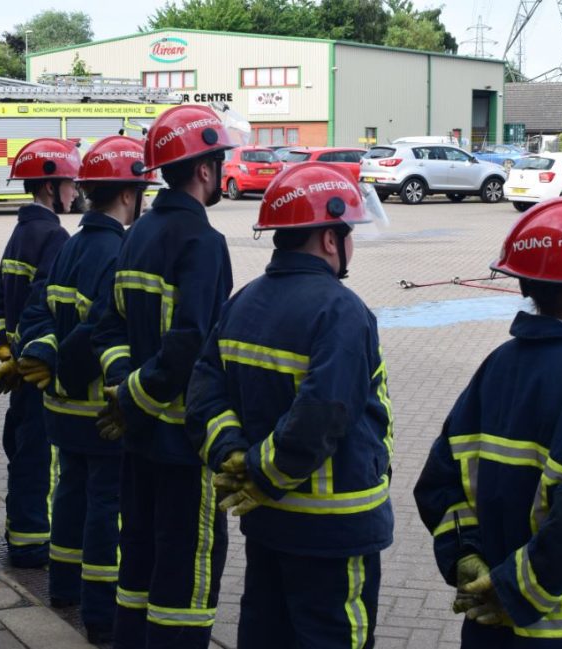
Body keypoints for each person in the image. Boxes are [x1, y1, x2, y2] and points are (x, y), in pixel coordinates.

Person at [414, 197, 562, 648]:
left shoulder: (494, 369)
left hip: (490, 628)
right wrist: (518, 591)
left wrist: (466, 559)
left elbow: (437, 483)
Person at [186, 163, 393, 649]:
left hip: (268, 523)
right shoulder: (342, 310)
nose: (351, 246)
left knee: (265, 633)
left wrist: (232, 455)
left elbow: (204, 392)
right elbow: (323, 412)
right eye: (348, 234)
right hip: (336, 530)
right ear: (327, 238)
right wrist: (262, 474)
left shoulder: (244, 302)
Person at [90, 104, 241, 649]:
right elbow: (190, 344)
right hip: (184, 442)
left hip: (135, 435)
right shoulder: (203, 242)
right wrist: (137, 394)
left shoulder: (138, 232)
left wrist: (123, 389)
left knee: (141, 564)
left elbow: (106, 326)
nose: (221, 170)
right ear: (203, 169)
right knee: (188, 573)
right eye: (219, 161)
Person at [17, 135, 157, 643]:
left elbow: (35, 312)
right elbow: (99, 329)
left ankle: (62, 586)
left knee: (69, 495)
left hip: (59, 405)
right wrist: (66, 363)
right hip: (101, 408)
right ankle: (100, 613)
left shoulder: (70, 243)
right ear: (128, 194)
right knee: (105, 506)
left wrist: (41, 357)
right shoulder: (119, 251)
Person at [0, 138, 76, 567]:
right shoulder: (54, 235)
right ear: (49, 187)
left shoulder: (21, 233)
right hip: (38, 371)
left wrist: (4, 347)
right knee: (41, 459)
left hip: (17, 366)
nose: (75, 191)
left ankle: (19, 536)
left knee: (20, 452)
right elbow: (52, 305)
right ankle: (36, 543)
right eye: (70, 183)